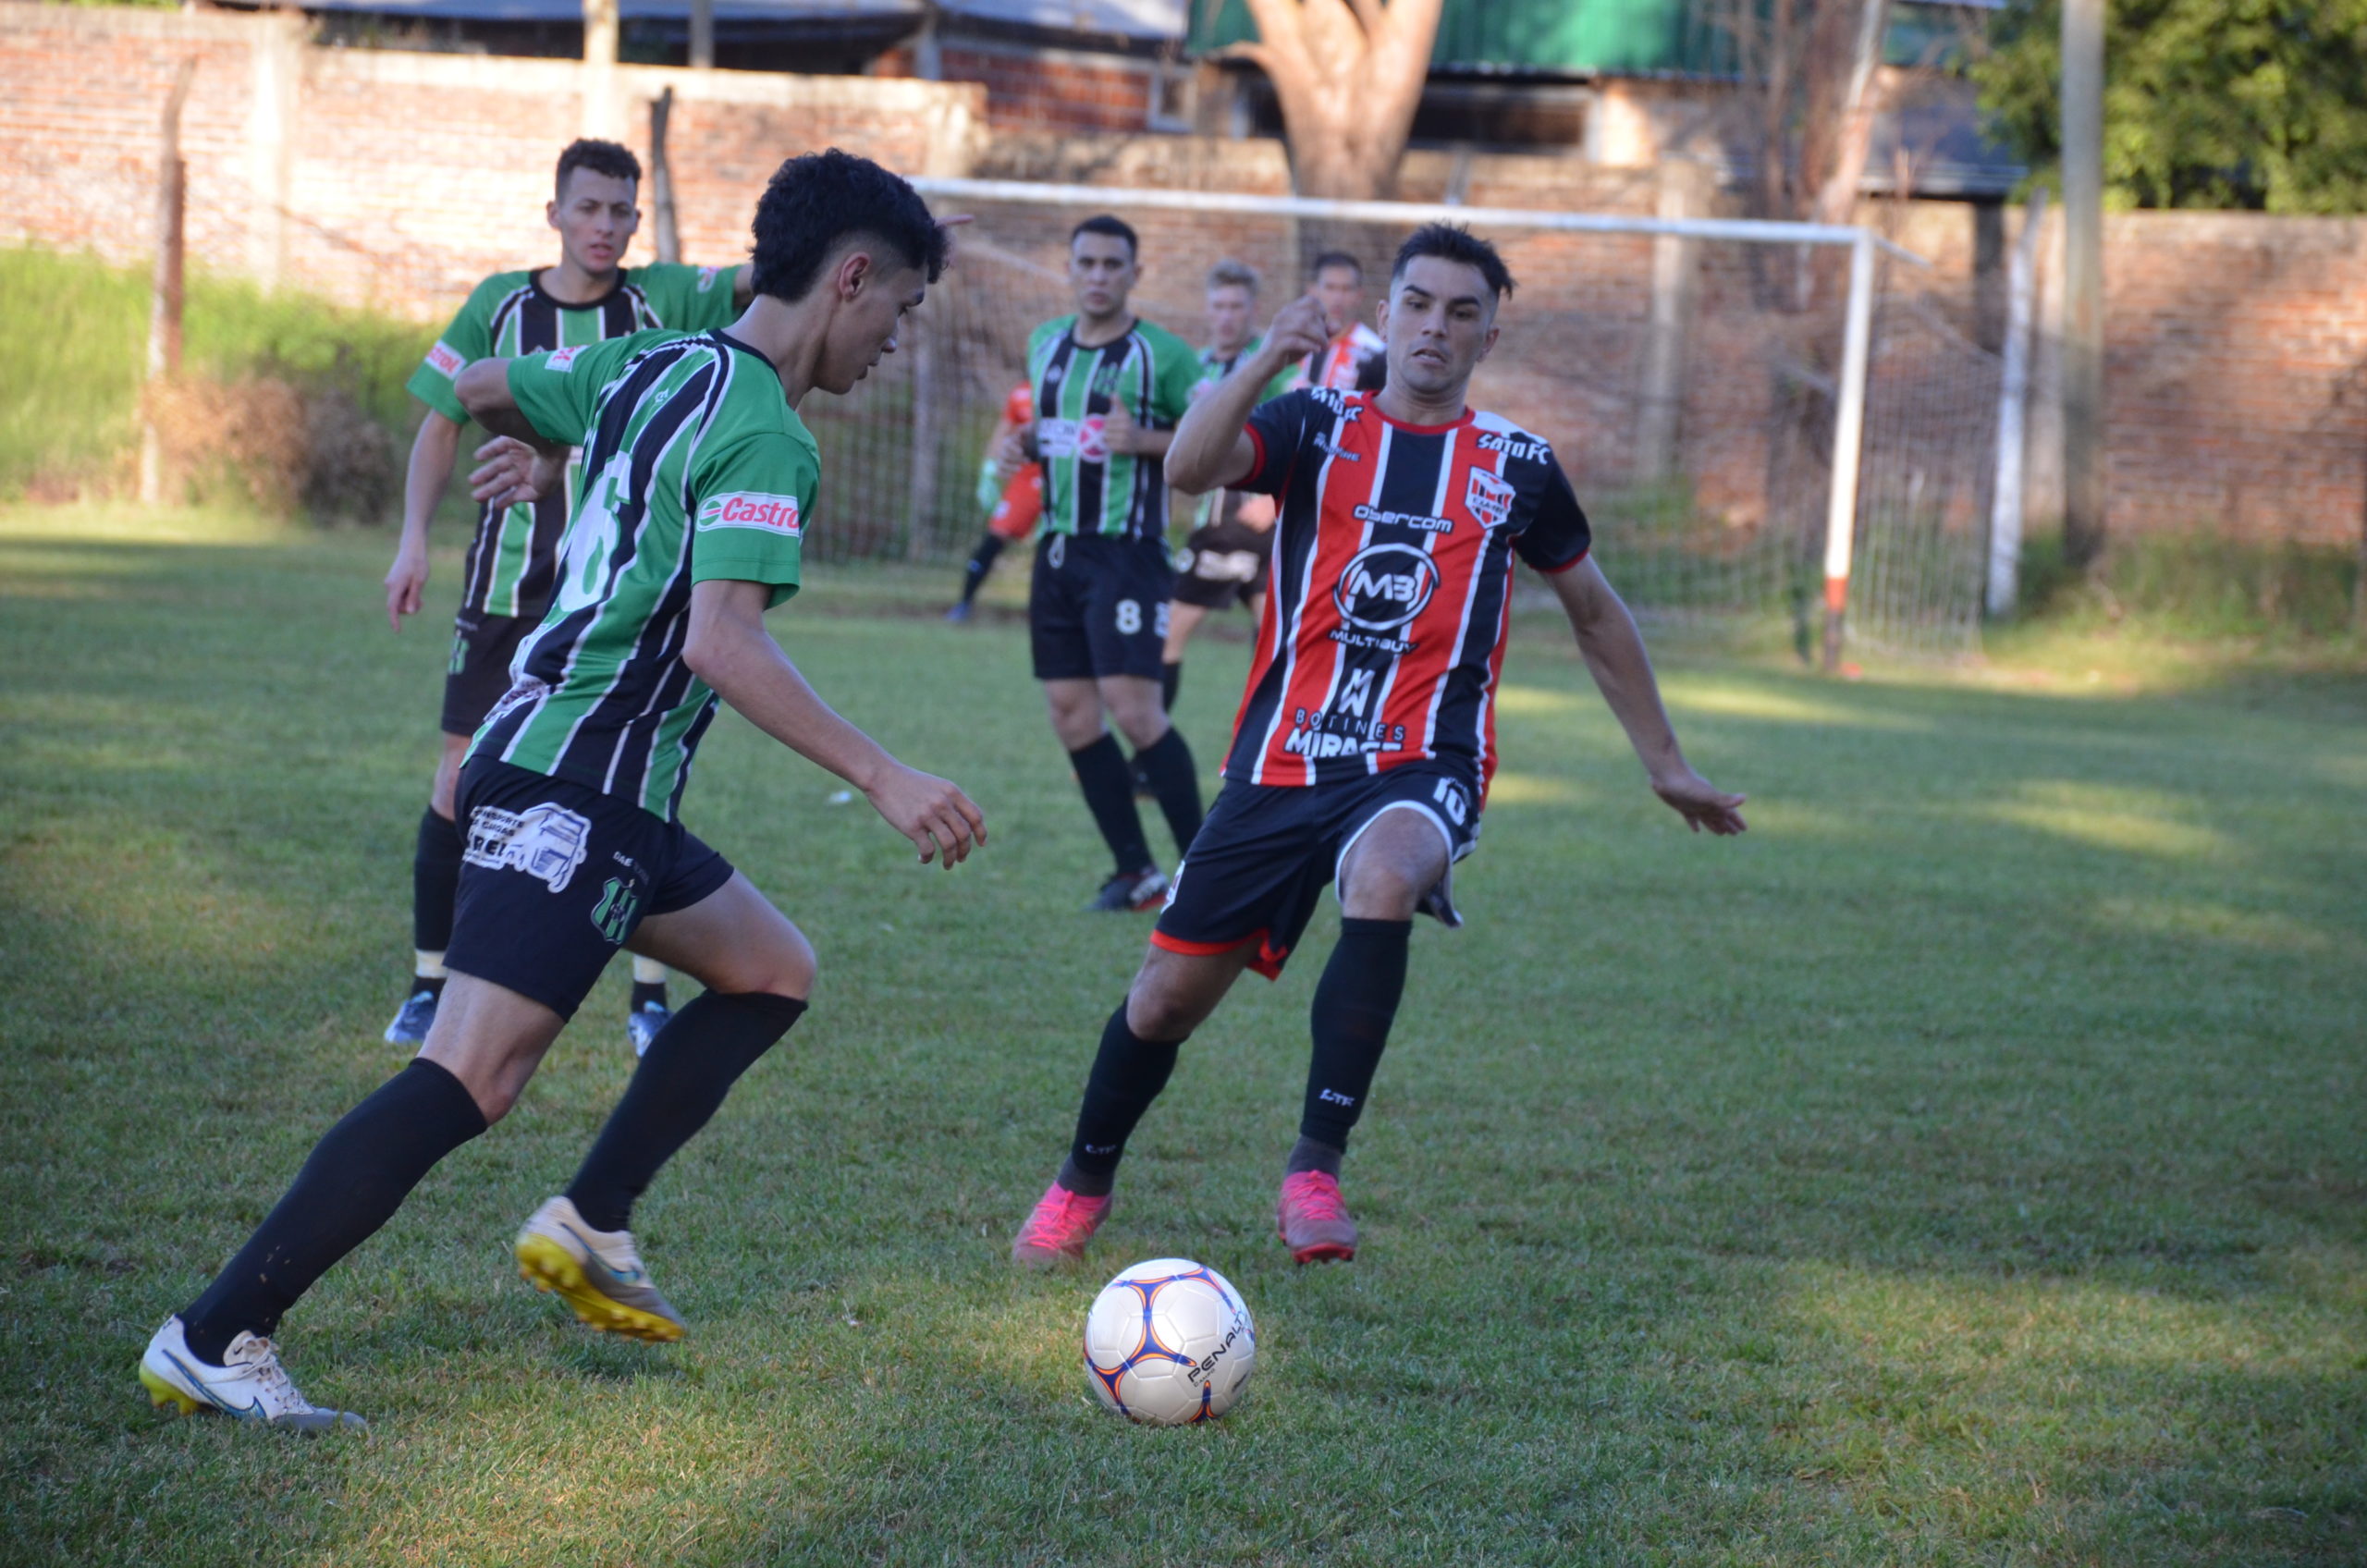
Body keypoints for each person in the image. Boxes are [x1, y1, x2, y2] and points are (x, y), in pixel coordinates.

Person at [139, 150, 984, 1431]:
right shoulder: (764, 427)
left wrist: (543, 456)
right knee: (470, 1077)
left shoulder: (646, 363)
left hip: (596, 777)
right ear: (851, 277)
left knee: (773, 969)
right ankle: (217, 1332)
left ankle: (593, 1215)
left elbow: (486, 385)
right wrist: (885, 773)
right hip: (572, 779)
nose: (894, 342)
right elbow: (721, 643)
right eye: (901, 309)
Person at [1010, 223, 1747, 1271]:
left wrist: (1663, 760)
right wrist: (1268, 353)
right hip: (1279, 760)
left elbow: (1592, 609)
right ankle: (1081, 1180)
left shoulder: (1517, 466)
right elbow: (1188, 467)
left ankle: (1314, 1169)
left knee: (1389, 872)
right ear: (1387, 314)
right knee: (1163, 1000)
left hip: (1420, 761)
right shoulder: (1315, 421)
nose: (1434, 328)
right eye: (1417, 304)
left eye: (1460, 312)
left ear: (1489, 334)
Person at [383, 138, 756, 1057]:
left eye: (621, 211)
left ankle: (648, 997)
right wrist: (410, 542)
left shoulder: (661, 300)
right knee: (458, 779)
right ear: (553, 213)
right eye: (588, 208)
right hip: (510, 580)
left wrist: (874, 231)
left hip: (622, 587)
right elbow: (442, 425)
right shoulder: (498, 306)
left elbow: (765, 282)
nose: (605, 226)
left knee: (635, 781)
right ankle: (431, 983)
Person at [1009, 214, 1207, 912]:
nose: (1097, 276)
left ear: (1135, 274)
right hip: (1059, 552)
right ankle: (1136, 872)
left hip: (1129, 553)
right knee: (1071, 712)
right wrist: (1028, 442)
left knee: (1135, 710)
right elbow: (1059, 430)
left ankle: (1209, 877)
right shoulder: (1044, 345)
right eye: (1086, 263)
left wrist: (1150, 439)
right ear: (1069, 268)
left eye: (1111, 265)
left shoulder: (1166, 356)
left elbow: (1220, 440)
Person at [1158, 259, 1296, 712]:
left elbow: (1303, 438)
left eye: (1237, 306)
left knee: (1270, 645)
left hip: (1255, 521)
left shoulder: (1273, 368)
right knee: (1173, 634)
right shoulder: (1195, 367)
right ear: (1207, 309)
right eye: (1218, 305)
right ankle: (1149, 750)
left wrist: (1278, 502)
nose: (1227, 315)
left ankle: (1150, 751)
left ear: (1253, 310)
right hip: (1216, 522)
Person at [944, 383, 1043, 622]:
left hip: (1067, 477)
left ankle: (1049, 611)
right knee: (996, 535)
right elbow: (1004, 431)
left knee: (1056, 544)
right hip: (1027, 478)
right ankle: (964, 603)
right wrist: (989, 468)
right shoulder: (1021, 393)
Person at [1288, 250, 1387, 393]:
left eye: (1346, 289)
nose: (1338, 298)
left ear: (1359, 295)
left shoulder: (1375, 352)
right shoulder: (1292, 342)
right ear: (1312, 291)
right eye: (1330, 287)